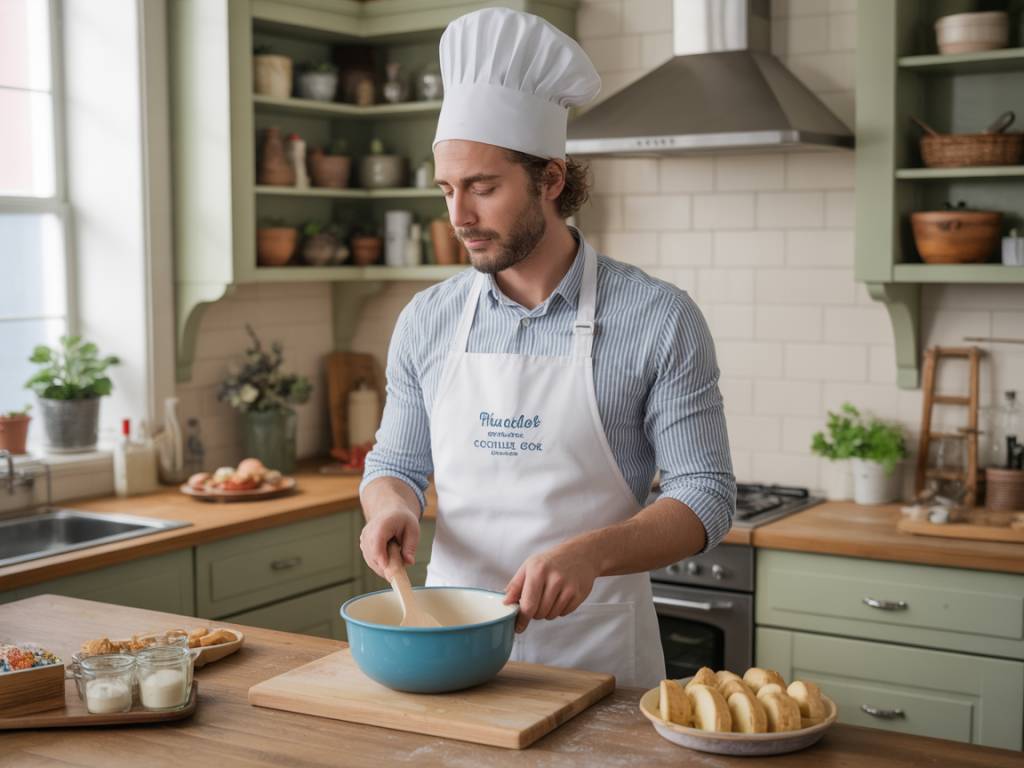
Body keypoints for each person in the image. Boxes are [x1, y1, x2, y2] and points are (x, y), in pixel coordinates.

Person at [358, 7, 735, 689]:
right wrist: (390, 506)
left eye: (483, 187)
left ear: (551, 180)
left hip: (596, 662)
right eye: (447, 189)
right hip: (449, 650)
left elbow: (705, 496)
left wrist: (592, 554)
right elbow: (397, 463)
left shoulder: (657, 317)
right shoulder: (428, 319)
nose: (458, 218)